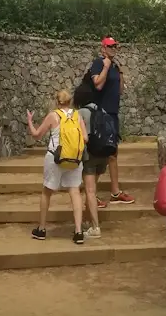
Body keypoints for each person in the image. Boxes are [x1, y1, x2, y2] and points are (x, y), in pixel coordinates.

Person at [27, 90, 88, 245]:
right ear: (70, 101)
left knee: (47, 192)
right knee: (74, 192)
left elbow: (36, 135)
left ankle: (41, 229)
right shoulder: (77, 115)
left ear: (57, 101)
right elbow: (85, 138)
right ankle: (79, 231)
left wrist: (29, 121)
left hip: (55, 157)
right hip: (74, 159)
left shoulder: (53, 116)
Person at [89, 36, 135, 205]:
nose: (113, 49)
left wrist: (120, 72)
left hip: (112, 114)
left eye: (115, 46)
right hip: (101, 115)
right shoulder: (99, 63)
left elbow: (120, 91)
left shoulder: (115, 67)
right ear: (103, 48)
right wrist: (106, 67)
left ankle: (115, 192)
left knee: (113, 153)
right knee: (102, 154)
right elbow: (98, 85)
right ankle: (90, 194)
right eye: (110, 46)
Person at [73, 84, 108, 239]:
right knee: (92, 190)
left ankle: (95, 227)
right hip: (103, 154)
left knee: (90, 191)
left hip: (89, 156)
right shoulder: (102, 110)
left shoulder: (80, 113)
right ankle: (88, 221)